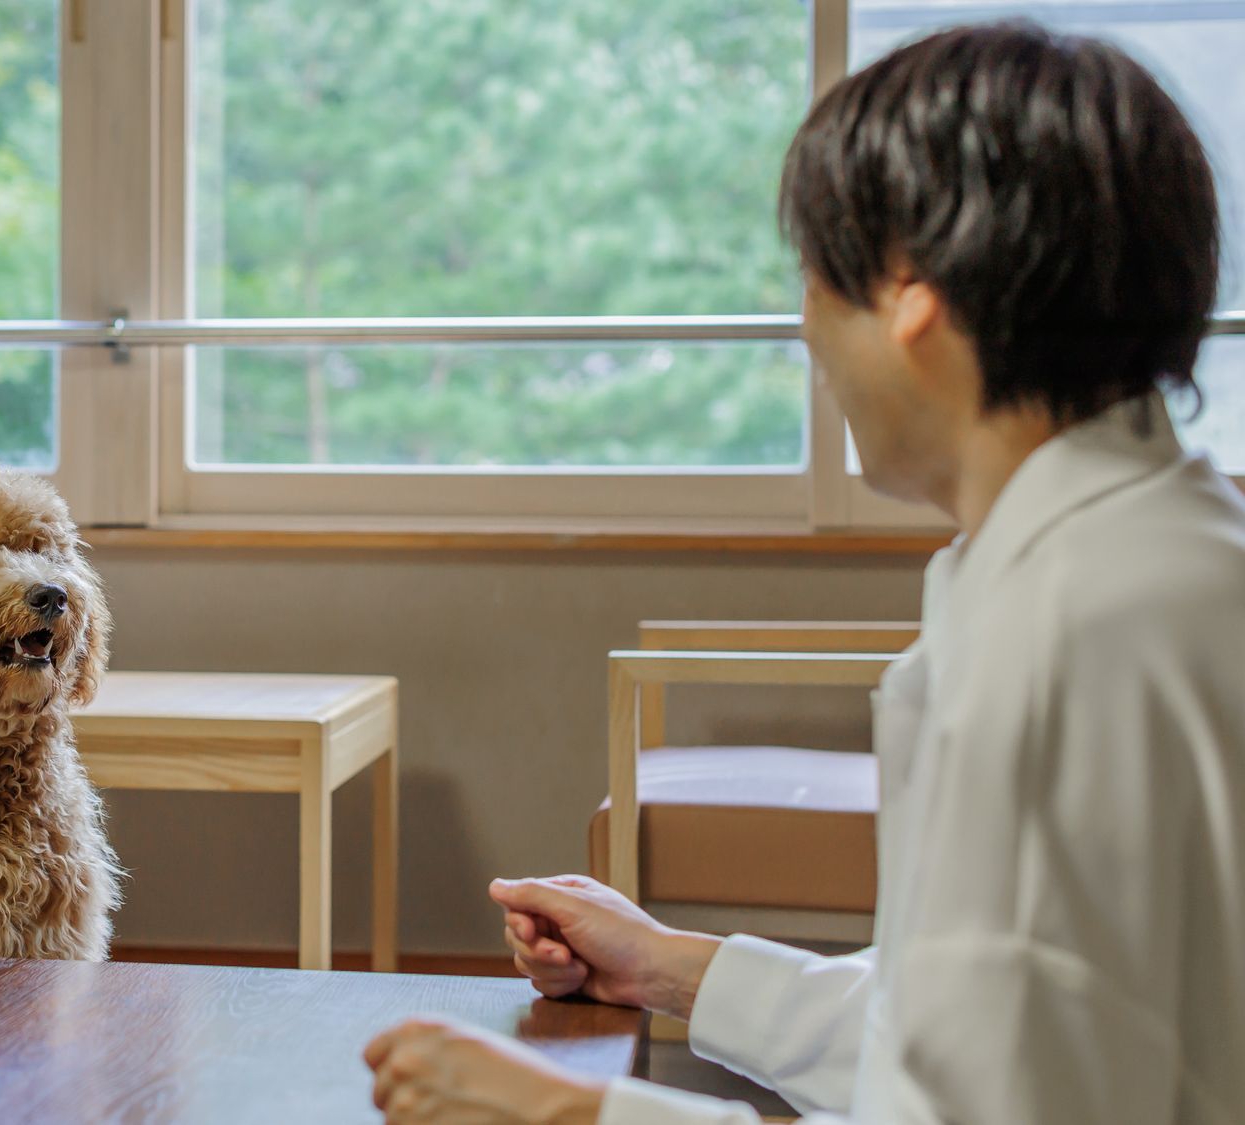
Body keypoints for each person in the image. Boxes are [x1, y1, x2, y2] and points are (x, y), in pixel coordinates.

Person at [366, 21, 1244, 1124]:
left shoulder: (1067, 633)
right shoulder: (1160, 558)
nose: (805, 331)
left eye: (816, 279)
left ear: (908, 287)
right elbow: (971, 1024)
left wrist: (576, 1115)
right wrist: (669, 965)